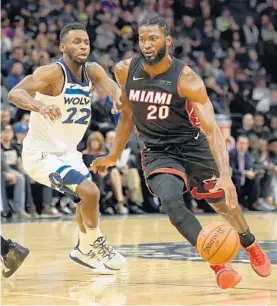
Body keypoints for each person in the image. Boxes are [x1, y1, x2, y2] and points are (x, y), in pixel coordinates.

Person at [92, 17, 271, 288]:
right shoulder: (125, 71)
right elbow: (127, 115)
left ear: (168, 41)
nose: (147, 44)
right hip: (157, 151)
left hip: (193, 146)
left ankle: (249, 241)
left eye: (153, 38)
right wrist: (113, 155)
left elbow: (212, 131)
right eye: (142, 39)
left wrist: (225, 175)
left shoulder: (187, 79)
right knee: (173, 204)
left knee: (223, 202)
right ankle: (218, 265)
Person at [8, 22, 126, 274]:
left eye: (85, 42)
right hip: (41, 154)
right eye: (76, 42)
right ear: (62, 47)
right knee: (90, 192)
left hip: (69, 152)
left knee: (87, 200)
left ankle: (83, 249)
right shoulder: (52, 73)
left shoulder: (92, 70)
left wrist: (117, 98)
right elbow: (15, 93)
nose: (83, 46)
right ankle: (95, 241)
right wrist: (39, 107)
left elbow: (112, 87)